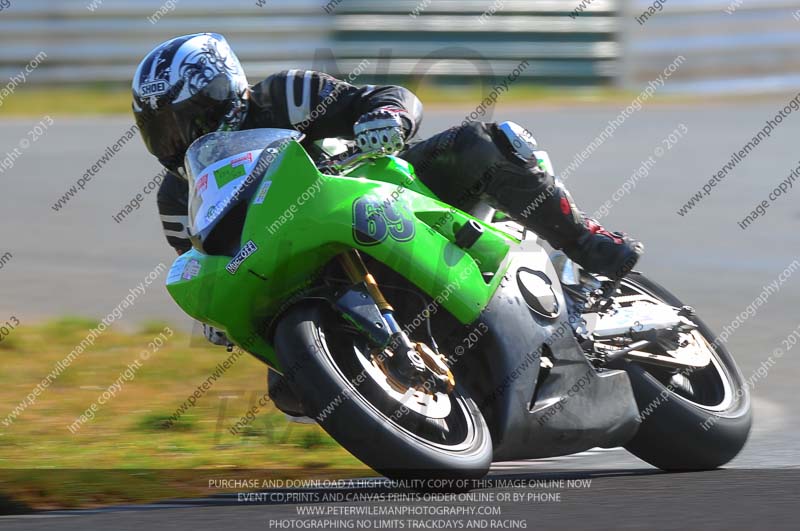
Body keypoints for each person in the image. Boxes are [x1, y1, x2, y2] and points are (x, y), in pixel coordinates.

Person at [133, 33, 643, 415]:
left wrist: (388, 119)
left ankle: (583, 240)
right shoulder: (177, 195)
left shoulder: (281, 98)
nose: (178, 138)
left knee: (480, 145)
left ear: (224, 92)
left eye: (186, 118)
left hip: (388, 192)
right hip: (296, 271)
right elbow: (200, 261)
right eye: (161, 128)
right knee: (291, 388)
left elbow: (377, 97)